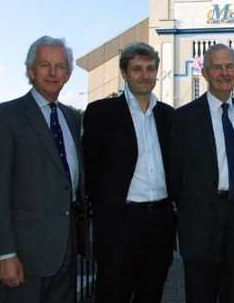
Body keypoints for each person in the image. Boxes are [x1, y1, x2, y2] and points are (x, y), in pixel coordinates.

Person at [0, 36, 86, 303]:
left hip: (66, 252)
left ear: (68, 73)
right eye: (45, 65)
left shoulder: (72, 117)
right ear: (31, 71)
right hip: (24, 256)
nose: (53, 73)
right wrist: (4, 254)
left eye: (60, 66)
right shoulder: (4, 117)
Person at [83, 42, 175, 303]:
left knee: (151, 293)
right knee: (113, 293)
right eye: (137, 68)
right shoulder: (102, 113)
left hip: (160, 222)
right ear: (124, 72)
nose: (144, 75)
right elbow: (92, 168)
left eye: (150, 68)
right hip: (120, 223)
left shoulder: (168, 116)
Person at [170, 43, 234, 303]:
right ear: (206, 73)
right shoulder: (183, 119)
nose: (224, 72)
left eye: (229, 66)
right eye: (217, 67)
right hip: (200, 226)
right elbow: (174, 176)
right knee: (200, 295)